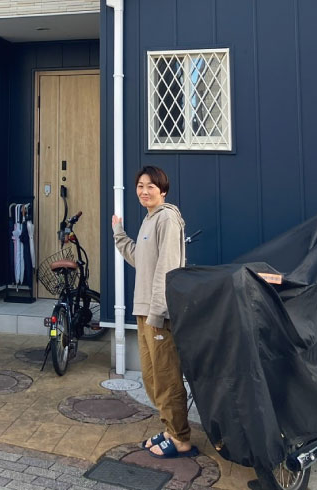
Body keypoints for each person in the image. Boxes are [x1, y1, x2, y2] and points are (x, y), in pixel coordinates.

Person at [111, 165, 198, 460]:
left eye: (151, 186)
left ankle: (181, 438)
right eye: (140, 186)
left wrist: (159, 312)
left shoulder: (167, 219)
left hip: (159, 312)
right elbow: (140, 258)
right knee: (152, 378)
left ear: (163, 190)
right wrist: (119, 233)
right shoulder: (148, 220)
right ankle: (170, 429)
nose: (144, 191)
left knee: (167, 377)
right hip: (144, 309)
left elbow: (168, 269)